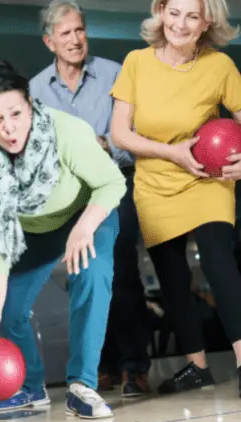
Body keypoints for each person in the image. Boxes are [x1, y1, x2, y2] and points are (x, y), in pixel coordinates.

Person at [110, 0, 241, 398]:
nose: (180, 24)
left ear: (206, 24)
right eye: (174, 12)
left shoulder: (219, 67)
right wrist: (172, 152)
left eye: (192, 16)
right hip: (156, 181)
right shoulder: (136, 62)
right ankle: (197, 367)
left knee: (219, 260)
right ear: (160, 12)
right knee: (173, 277)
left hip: (206, 178)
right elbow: (120, 133)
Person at [0, 60, 126, 418]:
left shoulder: (65, 130)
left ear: (30, 104)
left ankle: (82, 384)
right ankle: (30, 386)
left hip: (88, 213)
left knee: (92, 275)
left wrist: (84, 228)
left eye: (16, 113)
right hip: (34, 231)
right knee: (7, 309)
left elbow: (112, 182)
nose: (9, 128)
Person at [29, 0, 153, 397]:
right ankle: (106, 364)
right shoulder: (33, 91)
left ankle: (135, 365)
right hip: (71, 196)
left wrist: (106, 147)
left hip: (117, 184)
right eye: (65, 33)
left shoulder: (115, 75)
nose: (75, 39)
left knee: (120, 268)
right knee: (86, 277)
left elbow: (134, 139)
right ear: (50, 41)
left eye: (79, 30)